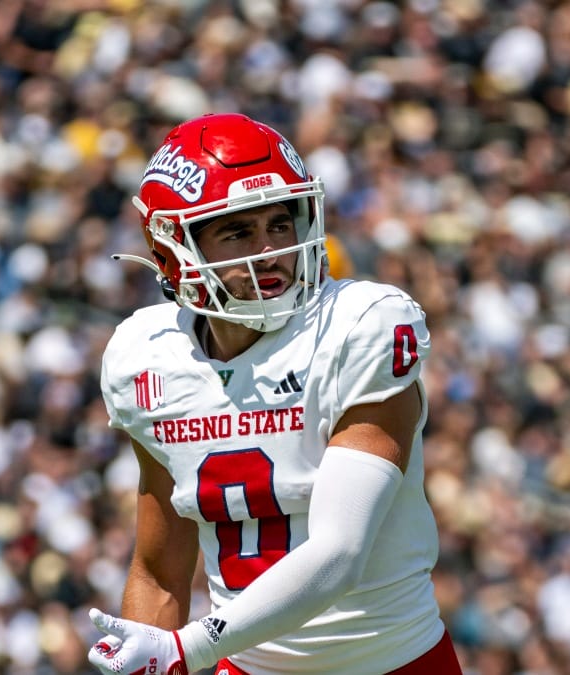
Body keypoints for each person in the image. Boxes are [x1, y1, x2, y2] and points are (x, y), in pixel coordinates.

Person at [88, 113, 462, 675]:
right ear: (172, 249)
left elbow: (340, 551)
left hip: (391, 662)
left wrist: (187, 651)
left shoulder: (362, 324)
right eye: (237, 231)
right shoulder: (148, 357)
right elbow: (161, 572)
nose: (268, 252)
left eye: (281, 224)